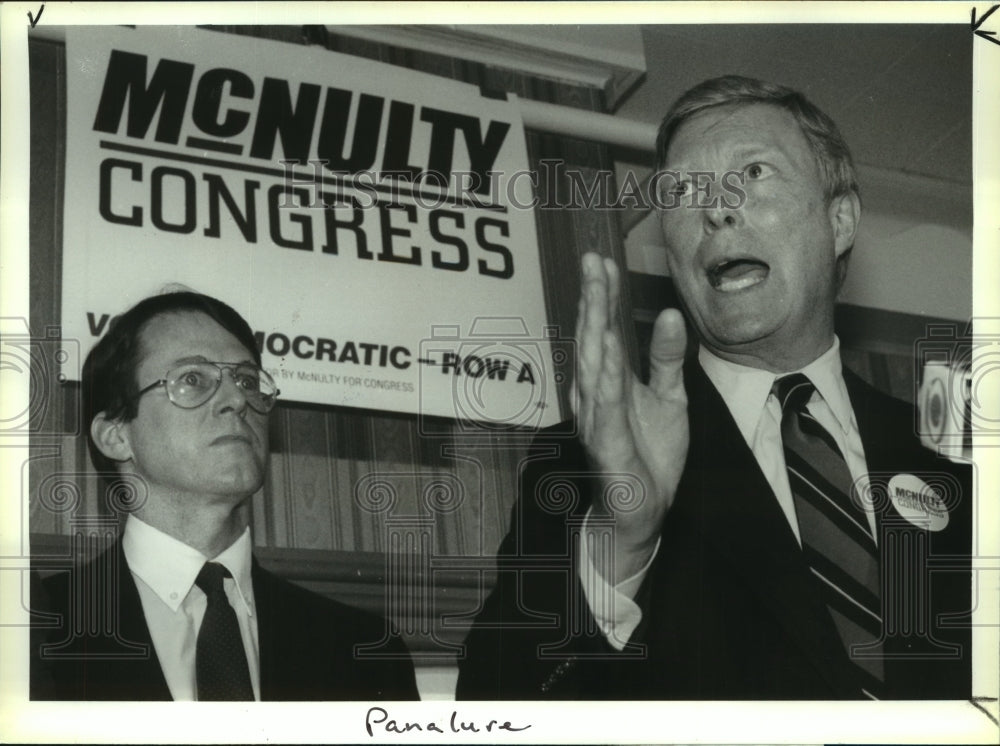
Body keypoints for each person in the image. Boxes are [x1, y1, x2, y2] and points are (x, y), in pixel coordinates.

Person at [457, 75, 972, 700]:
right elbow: (491, 709)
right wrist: (621, 546)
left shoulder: (957, 458)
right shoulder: (583, 464)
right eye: (679, 190)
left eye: (754, 172)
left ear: (840, 221)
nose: (716, 207)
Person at [31, 291, 418, 700]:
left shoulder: (366, 650)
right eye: (192, 379)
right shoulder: (30, 633)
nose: (237, 400)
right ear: (116, 436)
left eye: (247, 381)